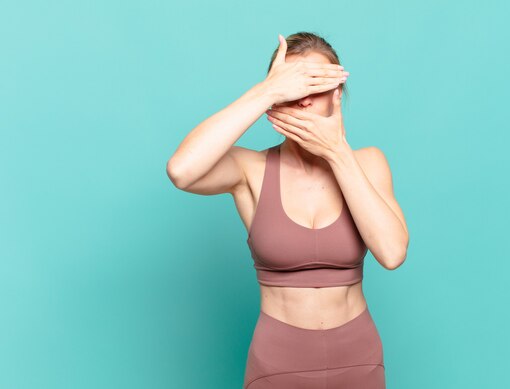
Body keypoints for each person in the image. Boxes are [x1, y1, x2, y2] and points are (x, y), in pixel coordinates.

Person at [166, 31, 409, 389]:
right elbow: (182, 171)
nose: (305, 101)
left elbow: (392, 253)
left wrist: (337, 152)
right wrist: (266, 91)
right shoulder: (251, 170)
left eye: (316, 87)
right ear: (277, 102)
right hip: (278, 362)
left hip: (359, 359)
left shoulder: (368, 163)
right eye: (294, 89)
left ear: (336, 95)